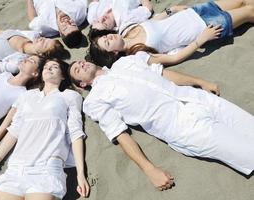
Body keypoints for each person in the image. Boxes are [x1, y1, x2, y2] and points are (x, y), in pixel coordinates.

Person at [68, 52, 254, 191]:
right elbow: (119, 134)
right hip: (184, 126)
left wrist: (200, 82)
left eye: (80, 62)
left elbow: (163, 74)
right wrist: (150, 170)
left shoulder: (124, 62)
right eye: (77, 70)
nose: (81, 64)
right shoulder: (95, 100)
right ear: (82, 84)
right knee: (248, 153)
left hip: (197, 98)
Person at [0, 59, 90, 200]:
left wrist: (80, 174)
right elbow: (14, 131)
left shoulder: (69, 96)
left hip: (46, 169)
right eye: (46, 67)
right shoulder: (27, 96)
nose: (49, 69)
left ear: (63, 76)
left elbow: (75, 132)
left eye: (54, 67)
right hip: (16, 168)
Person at [87, 0, 254, 67]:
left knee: (243, 1)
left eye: (105, 36)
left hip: (194, 12)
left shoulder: (126, 29)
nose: (108, 36)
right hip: (205, 28)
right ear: (114, 53)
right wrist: (202, 39)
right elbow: (174, 58)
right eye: (107, 42)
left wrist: (172, 9)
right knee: (249, 11)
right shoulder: (138, 55)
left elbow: (155, 21)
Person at [88, 0, 153, 33]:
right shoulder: (125, 19)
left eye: (98, 21)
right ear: (112, 30)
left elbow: (95, 1)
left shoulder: (92, 17)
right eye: (105, 24)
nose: (102, 18)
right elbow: (147, 8)